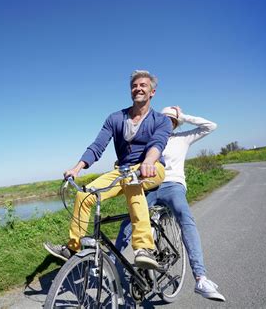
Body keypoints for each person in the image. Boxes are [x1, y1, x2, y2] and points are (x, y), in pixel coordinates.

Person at [44, 70, 172, 269]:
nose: (138, 88)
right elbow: (97, 146)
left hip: (152, 167)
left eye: (143, 85)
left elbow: (158, 143)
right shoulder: (115, 118)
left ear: (152, 92)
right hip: (123, 170)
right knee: (84, 196)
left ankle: (144, 248)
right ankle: (72, 247)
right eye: (134, 86)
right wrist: (77, 168)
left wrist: (148, 161)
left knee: (132, 181)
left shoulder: (161, 120)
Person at [114, 106, 226, 301]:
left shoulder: (182, 138)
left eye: (171, 120)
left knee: (185, 217)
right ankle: (112, 265)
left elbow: (211, 126)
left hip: (173, 185)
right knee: (130, 221)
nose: (167, 122)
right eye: (163, 119)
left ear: (175, 123)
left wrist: (182, 116)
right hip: (150, 186)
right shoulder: (149, 140)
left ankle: (200, 277)